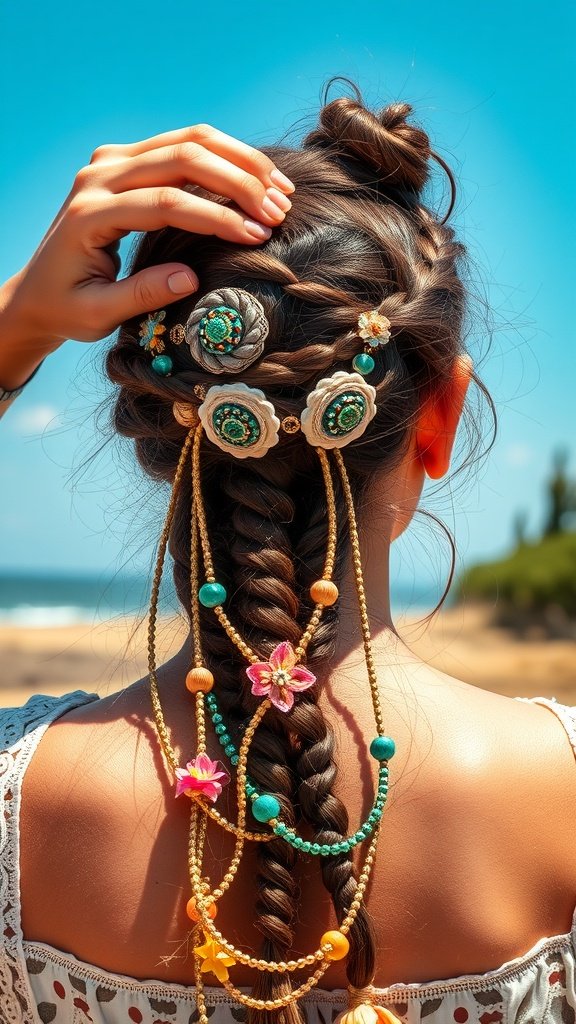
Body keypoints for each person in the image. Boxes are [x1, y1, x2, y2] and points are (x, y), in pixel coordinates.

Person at [0, 88, 575, 1024]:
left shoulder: (18, 809)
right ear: (439, 416)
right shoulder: (563, 795)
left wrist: (12, 331)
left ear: (156, 418)